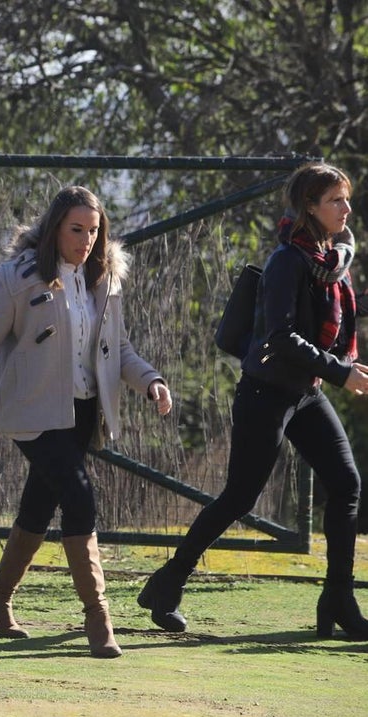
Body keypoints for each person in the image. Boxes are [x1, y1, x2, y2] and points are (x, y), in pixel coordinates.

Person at [139, 163, 368, 639]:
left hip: (304, 393)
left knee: (346, 483)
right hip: (267, 392)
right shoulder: (288, 260)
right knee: (240, 497)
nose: (346, 209)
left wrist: (333, 369)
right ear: (310, 206)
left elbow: (335, 312)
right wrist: (342, 372)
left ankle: (338, 598)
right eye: (336, 201)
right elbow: (280, 335)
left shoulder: (334, 258)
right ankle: (168, 583)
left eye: (347, 199)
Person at [0, 186, 173, 658]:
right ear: (55, 228)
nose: (86, 239)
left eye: (94, 230)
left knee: (40, 506)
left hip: (83, 412)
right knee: (81, 498)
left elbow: (118, 349)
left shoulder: (105, 280)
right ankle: (97, 616)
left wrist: (151, 381)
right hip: (34, 412)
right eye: (76, 229)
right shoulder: (18, 277)